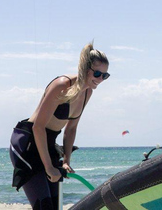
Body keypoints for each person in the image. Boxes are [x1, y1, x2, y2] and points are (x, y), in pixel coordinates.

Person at [9, 43, 110, 210]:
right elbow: (38, 127)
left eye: (105, 76)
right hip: (28, 142)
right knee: (44, 206)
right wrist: (49, 167)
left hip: (48, 144)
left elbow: (71, 128)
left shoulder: (87, 92)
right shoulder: (62, 85)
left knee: (55, 206)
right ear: (85, 69)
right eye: (97, 73)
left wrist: (66, 160)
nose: (100, 79)